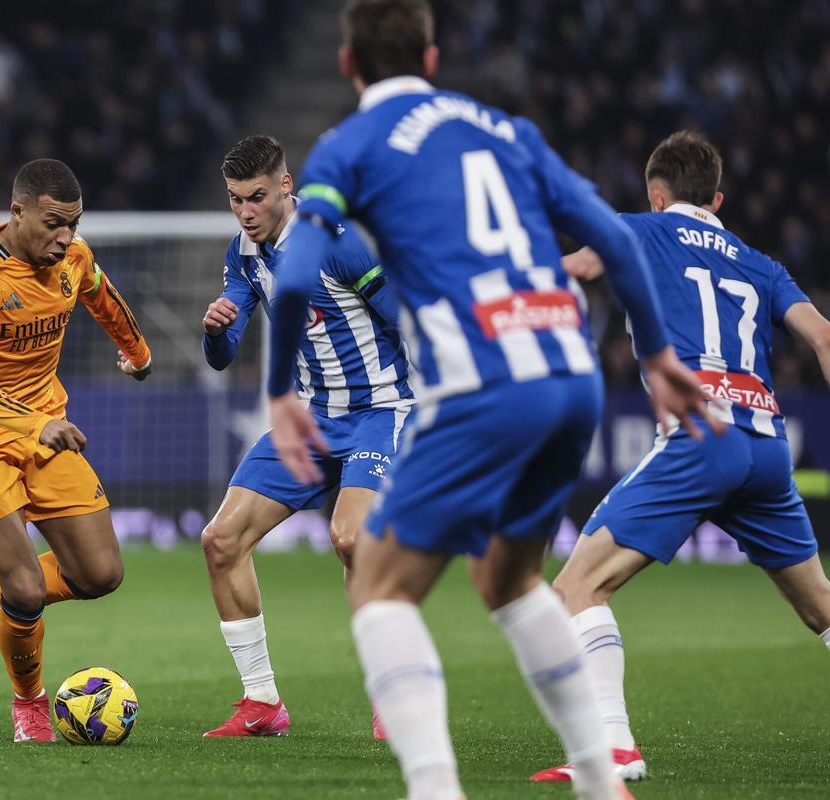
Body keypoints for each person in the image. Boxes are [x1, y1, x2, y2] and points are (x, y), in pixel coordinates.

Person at [265, 2, 716, 799]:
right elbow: (616, 240)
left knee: (379, 585)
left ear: (348, 65)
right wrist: (655, 352)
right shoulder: (509, 131)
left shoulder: (350, 144)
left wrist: (277, 390)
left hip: (482, 379)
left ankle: (435, 788)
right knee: (510, 581)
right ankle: (599, 780)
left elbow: (297, 270)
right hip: (569, 376)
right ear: (432, 59)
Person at [531, 131, 830, 783]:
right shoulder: (761, 264)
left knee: (577, 587)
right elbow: (824, 337)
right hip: (766, 445)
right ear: (716, 199)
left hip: (701, 436)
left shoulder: (643, 228)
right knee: (821, 610)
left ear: (656, 195)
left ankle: (613, 748)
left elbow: (579, 266)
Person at [0, 158, 153, 743]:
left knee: (100, 574)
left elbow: (103, 296)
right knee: (25, 590)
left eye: (73, 224)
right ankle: (29, 703)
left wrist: (138, 353)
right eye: (53, 224)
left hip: (43, 425)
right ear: (17, 212)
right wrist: (34, 424)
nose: (65, 237)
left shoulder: (74, 258)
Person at [199, 135, 414, 738]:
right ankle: (262, 702)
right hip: (313, 419)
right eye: (236, 199)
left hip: (382, 410)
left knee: (352, 539)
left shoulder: (337, 243)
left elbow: (407, 317)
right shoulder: (244, 252)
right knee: (221, 540)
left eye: (257, 197)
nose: (246, 212)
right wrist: (216, 330)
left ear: (285, 186)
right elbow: (223, 353)